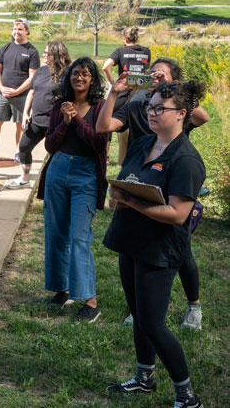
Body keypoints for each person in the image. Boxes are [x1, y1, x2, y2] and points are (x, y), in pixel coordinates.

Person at [104, 81, 206, 408]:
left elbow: (178, 214)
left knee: (152, 324)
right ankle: (145, 376)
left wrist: (131, 201)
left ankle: (186, 395)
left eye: (160, 108)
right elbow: (127, 181)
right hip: (132, 240)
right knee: (137, 313)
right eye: (151, 106)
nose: (152, 112)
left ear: (182, 115)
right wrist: (116, 196)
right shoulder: (144, 142)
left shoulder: (186, 160)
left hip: (160, 250)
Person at [96, 58, 209, 330]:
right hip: (142, 179)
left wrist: (171, 90)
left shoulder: (178, 109)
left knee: (182, 254)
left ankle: (193, 305)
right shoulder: (139, 106)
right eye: (152, 71)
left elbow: (202, 117)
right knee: (138, 249)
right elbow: (103, 126)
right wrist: (114, 92)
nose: (155, 75)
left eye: (163, 72)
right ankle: (142, 310)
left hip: (174, 183)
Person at [36, 57, 108, 323]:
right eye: (76, 73)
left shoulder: (100, 107)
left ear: (93, 80)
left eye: (86, 74)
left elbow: (98, 144)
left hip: (86, 174)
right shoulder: (59, 106)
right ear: (69, 78)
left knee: (79, 236)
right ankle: (62, 289)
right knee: (55, 232)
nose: (80, 78)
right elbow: (50, 145)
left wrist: (76, 120)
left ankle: (90, 301)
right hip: (58, 168)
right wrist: (64, 122)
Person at [5, 41, 71, 188]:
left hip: (56, 122)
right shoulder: (41, 71)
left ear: (56, 54)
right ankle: (25, 177)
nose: (44, 55)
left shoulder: (67, 73)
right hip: (36, 120)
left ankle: (60, 181)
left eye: (46, 53)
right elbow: (32, 91)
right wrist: (26, 113)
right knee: (23, 148)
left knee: (57, 153)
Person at [0, 18, 40, 164]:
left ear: (27, 31)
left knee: (20, 125)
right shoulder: (5, 48)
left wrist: (16, 92)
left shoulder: (32, 51)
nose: (17, 32)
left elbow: (32, 77)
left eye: (20, 29)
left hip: (21, 96)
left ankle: (18, 152)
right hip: (2, 94)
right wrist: (1, 88)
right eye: (15, 29)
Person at [102, 27, 151, 164]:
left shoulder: (120, 51)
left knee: (107, 118)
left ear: (124, 39)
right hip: (142, 89)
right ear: (137, 38)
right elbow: (146, 70)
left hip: (124, 89)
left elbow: (105, 67)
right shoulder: (146, 51)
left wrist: (113, 83)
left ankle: (105, 155)